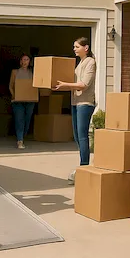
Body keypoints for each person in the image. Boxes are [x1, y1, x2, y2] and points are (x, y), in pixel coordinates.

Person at [54, 37, 96, 184]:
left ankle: (84, 167)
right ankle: (82, 166)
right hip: (76, 102)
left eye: (77, 46)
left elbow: (83, 84)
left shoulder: (90, 62)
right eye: (74, 47)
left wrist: (65, 84)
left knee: (83, 136)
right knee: (77, 136)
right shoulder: (79, 64)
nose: (74, 49)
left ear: (86, 48)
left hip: (85, 103)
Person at [9, 53, 38, 149]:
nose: (25, 61)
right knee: (19, 119)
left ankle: (23, 135)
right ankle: (20, 140)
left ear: (29, 62)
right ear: (20, 61)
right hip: (17, 101)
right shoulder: (15, 72)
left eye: (27, 60)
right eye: (23, 59)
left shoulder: (32, 73)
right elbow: (11, 86)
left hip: (30, 100)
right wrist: (14, 95)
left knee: (27, 119)